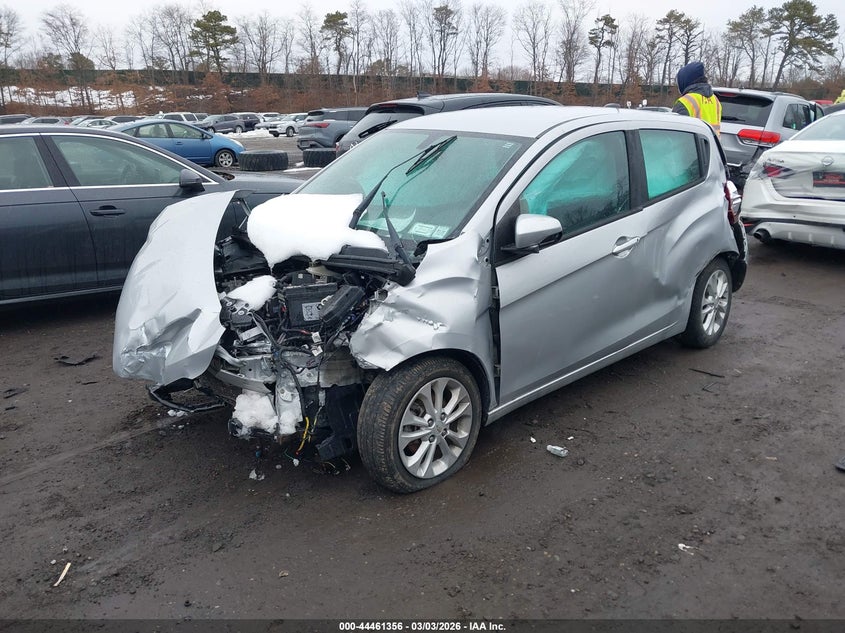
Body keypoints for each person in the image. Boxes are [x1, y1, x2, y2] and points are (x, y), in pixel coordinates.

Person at [672, 61, 722, 137]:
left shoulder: (685, 102)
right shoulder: (715, 100)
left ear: (685, 81)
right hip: (713, 146)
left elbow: (675, 135)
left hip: (692, 147)